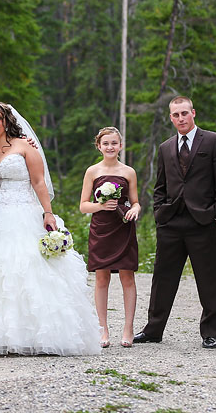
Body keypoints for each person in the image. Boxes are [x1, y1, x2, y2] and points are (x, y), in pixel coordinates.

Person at [0, 102, 101, 356]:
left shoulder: (24, 146)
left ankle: (39, 336)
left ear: (7, 120)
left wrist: (47, 212)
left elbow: (39, 181)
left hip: (23, 213)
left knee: (29, 272)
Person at [134, 96, 216, 348]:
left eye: (184, 114)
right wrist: (159, 213)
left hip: (202, 221)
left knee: (208, 278)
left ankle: (210, 332)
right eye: (176, 115)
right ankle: (153, 330)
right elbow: (160, 186)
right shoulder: (166, 147)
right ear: (171, 118)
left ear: (193, 113)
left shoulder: (213, 141)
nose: (181, 118)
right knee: (162, 277)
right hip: (171, 222)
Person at [79, 127, 140, 348]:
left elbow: (135, 201)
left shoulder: (129, 172)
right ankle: (102, 329)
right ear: (99, 146)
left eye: (114, 143)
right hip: (101, 229)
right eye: (106, 143)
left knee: (127, 277)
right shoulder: (92, 172)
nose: (110, 147)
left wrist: (136, 209)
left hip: (123, 226)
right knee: (101, 278)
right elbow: (83, 206)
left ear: (120, 145)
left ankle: (128, 327)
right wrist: (100, 205)